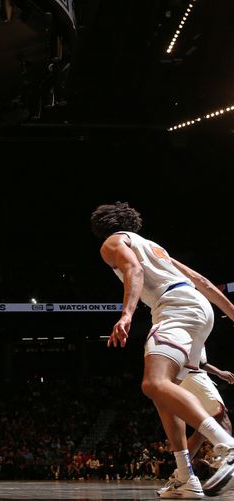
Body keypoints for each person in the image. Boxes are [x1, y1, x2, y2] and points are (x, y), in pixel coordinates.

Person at [91, 202, 234, 498]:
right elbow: (203, 282)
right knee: (164, 395)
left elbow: (133, 270)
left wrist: (127, 314)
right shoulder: (156, 248)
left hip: (174, 309)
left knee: (153, 383)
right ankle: (185, 477)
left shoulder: (112, 243)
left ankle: (226, 445)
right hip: (198, 309)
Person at [159, 349, 233, 493]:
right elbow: (195, 358)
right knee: (220, 416)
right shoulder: (193, 326)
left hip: (179, 377)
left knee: (202, 431)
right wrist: (219, 372)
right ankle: (229, 460)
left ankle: (182, 475)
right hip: (193, 375)